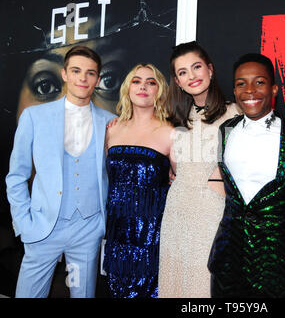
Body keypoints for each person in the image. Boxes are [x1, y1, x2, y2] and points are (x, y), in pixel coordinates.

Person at [5, 45, 116, 298]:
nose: (83, 78)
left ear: (97, 79)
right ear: (65, 74)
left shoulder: (111, 121)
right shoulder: (34, 116)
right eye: (76, 71)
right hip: (43, 228)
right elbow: (16, 175)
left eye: (90, 73)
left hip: (87, 229)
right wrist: (23, 222)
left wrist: (101, 224)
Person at [207, 53, 285, 297]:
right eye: (241, 84)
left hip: (277, 265)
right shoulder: (226, 131)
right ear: (234, 92)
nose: (250, 90)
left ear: (274, 89)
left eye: (259, 82)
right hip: (229, 262)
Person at [157, 41, 242, 298]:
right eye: (183, 72)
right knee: (175, 285)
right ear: (177, 81)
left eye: (196, 67)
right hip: (176, 213)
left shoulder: (235, 114)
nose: (192, 76)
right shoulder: (172, 119)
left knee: (204, 287)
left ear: (211, 69)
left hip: (213, 214)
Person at [102, 63, 175, 298]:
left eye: (151, 82)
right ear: (127, 88)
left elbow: (179, 184)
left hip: (152, 239)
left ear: (159, 90)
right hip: (117, 236)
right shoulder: (111, 130)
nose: (143, 86)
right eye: (136, 80)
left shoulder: (171, 133)